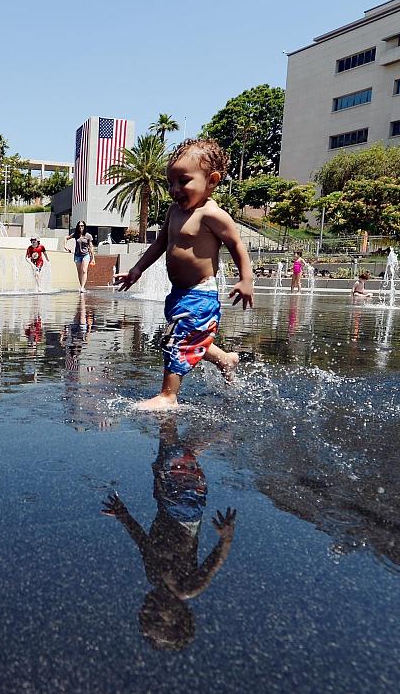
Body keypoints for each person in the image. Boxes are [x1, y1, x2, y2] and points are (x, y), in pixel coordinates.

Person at [114, 138, 254, 410]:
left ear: (212, 180)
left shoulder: (212, 214)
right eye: (170, 183)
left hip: (200, 294)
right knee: (190, 336)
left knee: (177, 339)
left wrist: (246, 279)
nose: (174, 189)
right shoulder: (174, 212)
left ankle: (168, 396)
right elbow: (160, 243)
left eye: (183, 181)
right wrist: (137, 269)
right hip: (178, 294)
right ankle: (225, 359)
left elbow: (237, 245)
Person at [101, 418, 236, 651]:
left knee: (170, 452)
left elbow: (144, 544)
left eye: (145, 616)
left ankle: (219, 422)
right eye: (156, 618)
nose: (148, 610)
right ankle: (186, 414)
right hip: (185, 507)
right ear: (179, 615)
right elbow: (214, 563)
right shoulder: (186, 588)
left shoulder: (154, 578)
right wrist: (226, 538)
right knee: (173, 451)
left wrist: (124, 516)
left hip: (165, 503)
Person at [65, 221, 96, 292]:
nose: (80, 227)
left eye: (82, 225)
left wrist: (93, 258)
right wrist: (65, 246)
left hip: (85, 255)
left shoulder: (88, 236)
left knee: (84, 270)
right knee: (79, 272)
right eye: (79, 226)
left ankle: (82, 287)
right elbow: (66, 238)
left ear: (84, 226)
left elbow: (91, 247)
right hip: (77, 255)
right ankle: (82, 286)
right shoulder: (76, 234)